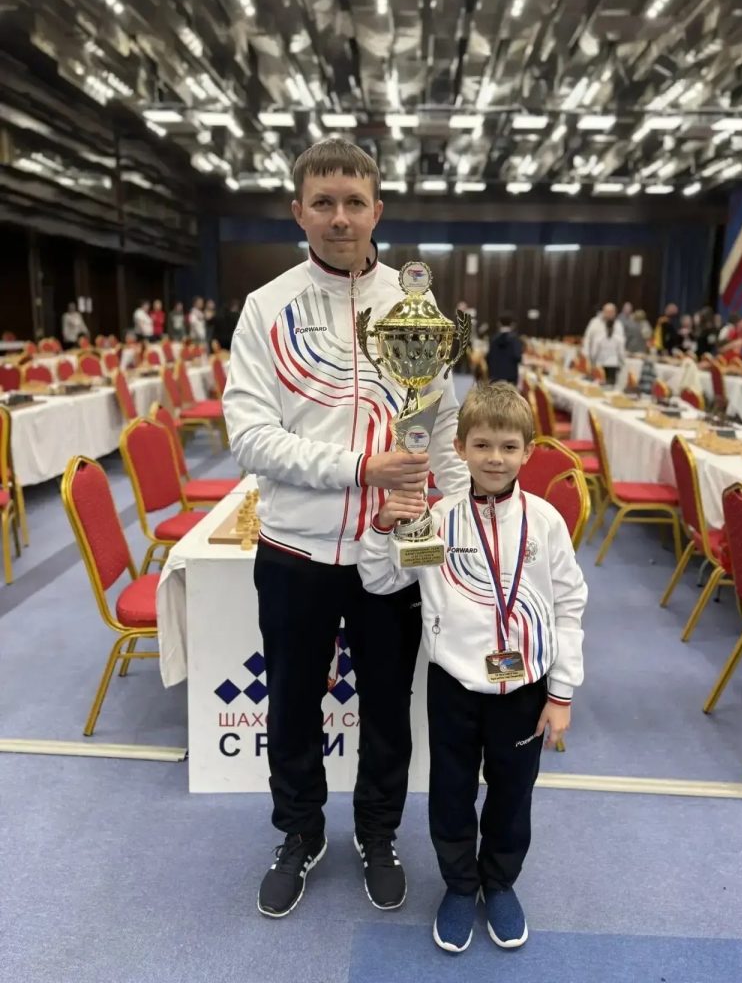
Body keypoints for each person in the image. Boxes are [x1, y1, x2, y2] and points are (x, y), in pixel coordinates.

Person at [222, 138, 469, 920]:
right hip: (294, 550)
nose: (339, 218)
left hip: (392, 550)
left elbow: (444, 433)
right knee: (292, 704)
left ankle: (377, 833)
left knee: (389, 708)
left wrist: (466, 520)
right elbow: (250, 438)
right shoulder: (267, 308)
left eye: (354, 203)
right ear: (298, 211)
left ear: (377, 211)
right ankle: (300, 832)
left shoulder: (416, 308)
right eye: (323, 202)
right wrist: (362, 469)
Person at [359, 382, 587, 953]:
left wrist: (561, 692)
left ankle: (500, 883)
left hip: (524, 688)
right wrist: (384, 526)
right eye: (481, 445)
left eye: (508, 447)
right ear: (458, 448)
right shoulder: (437, 521)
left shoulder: (544, 523)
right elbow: (381, 581)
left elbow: (569, 605)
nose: (495, 459)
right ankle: (461, 885)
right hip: (455, 685)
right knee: (451, 791)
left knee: (513, 794)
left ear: (528, 451)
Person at [582, 303, 625, 385]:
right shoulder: (595, 322)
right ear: (603, 312)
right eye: (607, 312)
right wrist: (586, 356)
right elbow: (587, 339)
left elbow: (621, 344)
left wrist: (621, 361)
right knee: (595, 384)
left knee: (610, 385)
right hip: (597, 360)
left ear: (615, 313)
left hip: (612, 361)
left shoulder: (618, 325)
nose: (609, 314)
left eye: (612, 312)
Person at [486, 313, 523, 385]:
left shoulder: (493, 339)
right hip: (510, 376)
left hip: (495, 375)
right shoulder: (515, 340)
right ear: (512, 324)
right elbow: (518, 357)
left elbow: (488, 357)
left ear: (499, 324)